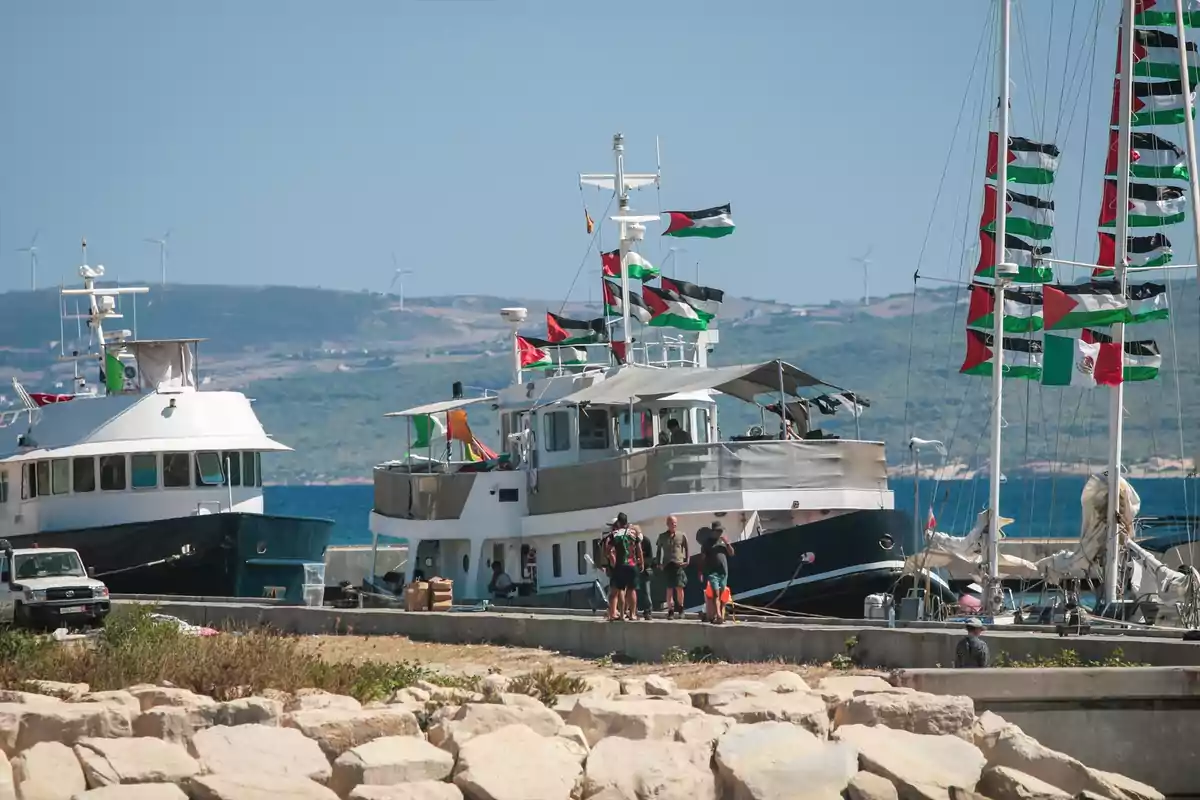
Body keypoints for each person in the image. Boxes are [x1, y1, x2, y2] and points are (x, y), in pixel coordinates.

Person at [605, 513, 642, 621]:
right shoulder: (633, 533)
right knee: (632, 590)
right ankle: (633, 614)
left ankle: (621, 614)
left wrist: (611, 557)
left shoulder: (615, 534)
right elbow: (639, 549)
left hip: (620, 565)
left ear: (619, 522)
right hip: (632, 564)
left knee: (620, 589)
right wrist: (641, 562)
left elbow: (608, 549)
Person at [655, 515, 689, 620]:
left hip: (678, 564)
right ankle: (670, 611)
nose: (674, 524)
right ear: (667, 524)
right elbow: (659, 550)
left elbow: (687, 548)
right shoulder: (662, 536)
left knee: (679, 588)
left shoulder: (682, 535)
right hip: (667, 565)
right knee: (669, 589)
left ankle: (681, 609)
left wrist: (687, 560)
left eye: (675, 523)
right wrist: (658, 563)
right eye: (672, 523)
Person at [635, 526, 655, 620]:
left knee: (646, 592)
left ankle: (648, 611)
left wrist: (642, 562)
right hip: (634, 569)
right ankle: (633, 610)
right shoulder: (632, 542)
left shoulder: (646, 541)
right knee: (633, 591)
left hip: (645, 569)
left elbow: (650, 558)